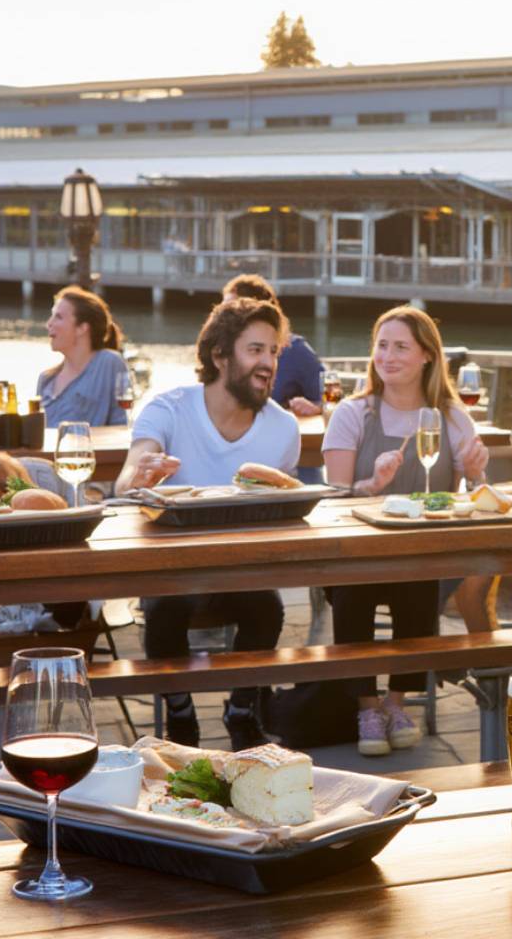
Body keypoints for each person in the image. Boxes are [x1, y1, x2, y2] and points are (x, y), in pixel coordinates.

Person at [115, 294, 300, 749]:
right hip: (174, 566)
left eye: (273, 351)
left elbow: (287, 502)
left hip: (243, 566)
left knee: (268, 608)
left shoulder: (284, 428)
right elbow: (129, 475)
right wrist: (142, 474)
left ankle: (242, 711)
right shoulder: (169, 408)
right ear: (219, 355)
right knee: (163, 607)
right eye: (255, 350)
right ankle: (180, 715)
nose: (268, 363)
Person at [322, 305, 489, 756]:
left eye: (400, 347)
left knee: (420, 577)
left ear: (427, 356)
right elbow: (332, 499)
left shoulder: (451, 417)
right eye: (382, 345)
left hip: (425, 553)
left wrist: (477, 475)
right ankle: (366, 706)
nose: (388, 356)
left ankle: (396, 703)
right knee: (353, 586)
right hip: (355, 552)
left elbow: (475, 499)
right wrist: (370, 486)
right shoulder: (352, 413)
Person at [222, 274, 324, 485]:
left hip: (291, 468)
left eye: (231, 308)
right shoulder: (222, 355)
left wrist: (317, 407)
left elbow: (331, 399)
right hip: (238, 466)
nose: (221, 317)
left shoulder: (296, 351)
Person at [37, 285, 129, 428]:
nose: (49, 324)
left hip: (92, 443)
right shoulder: (46, 379)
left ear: (82, 328)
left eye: (58, 317)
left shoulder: (108, 363)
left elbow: (121, 426)